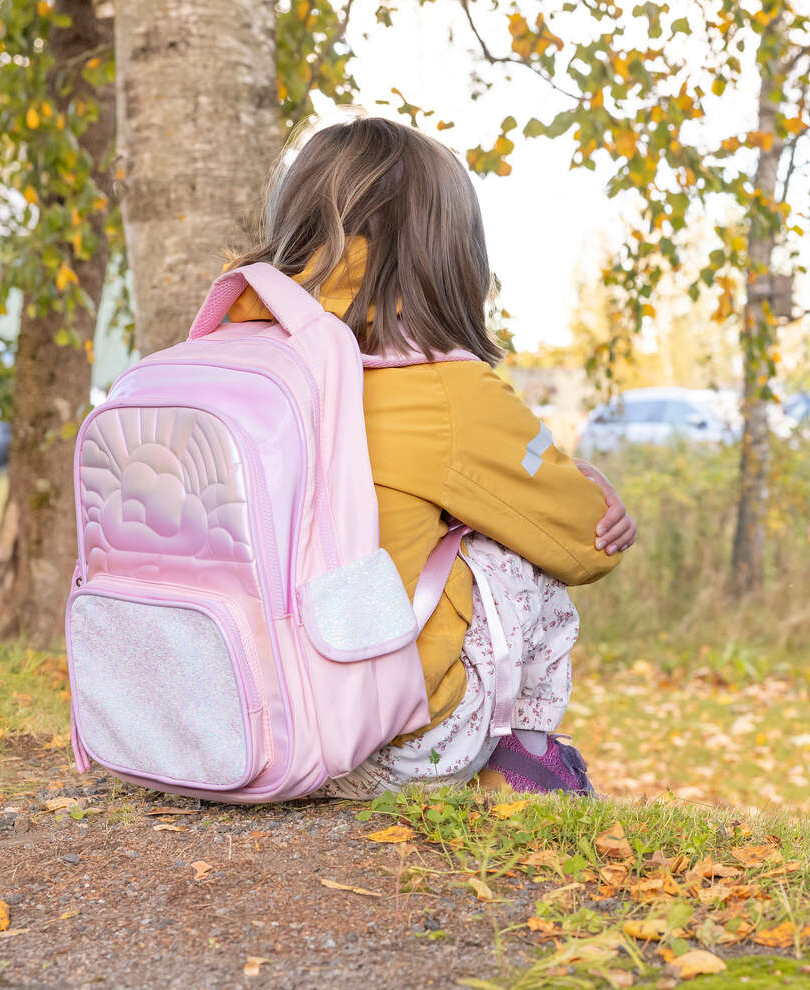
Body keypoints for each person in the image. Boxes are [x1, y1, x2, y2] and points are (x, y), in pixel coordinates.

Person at [224, 113, 634, 796]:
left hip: (234, 716)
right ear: (449, 256)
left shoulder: (234, 356)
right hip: (380, 744)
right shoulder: (447, 390)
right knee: (510, 541)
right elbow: (583, 541)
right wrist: (596, 496)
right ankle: (522, 755)